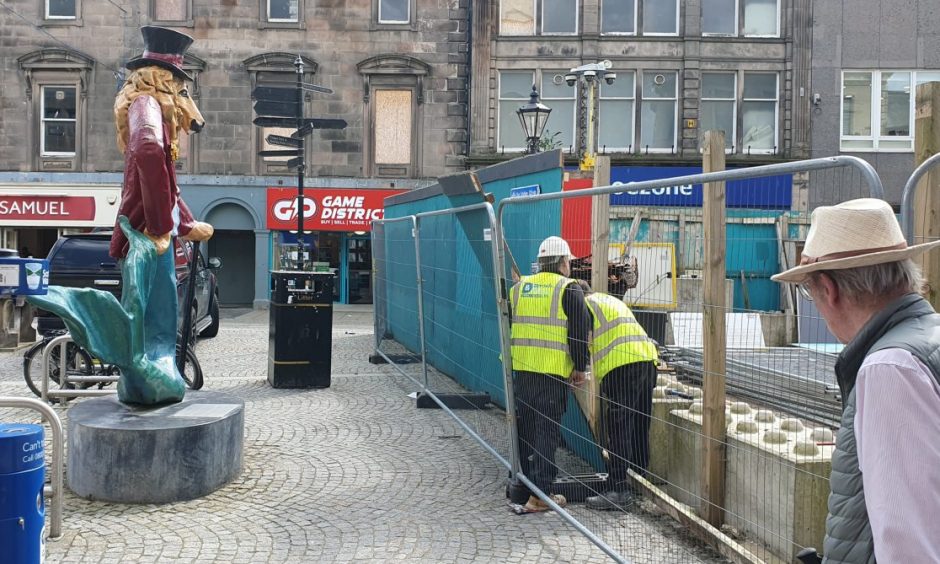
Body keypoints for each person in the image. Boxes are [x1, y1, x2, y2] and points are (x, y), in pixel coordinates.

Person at [772, 198, 940, 563]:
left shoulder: (891, 368)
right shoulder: (929, 340)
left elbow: (909, 545)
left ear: (829, 289)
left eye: (808, 290)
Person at [508, 236, 591, 512]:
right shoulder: (569, 290)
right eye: (569, 261)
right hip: (552, 374)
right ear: (563, 263)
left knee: (526, 429)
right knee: (547, 432)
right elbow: (578, 336)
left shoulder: (519, 289)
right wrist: (580, 368)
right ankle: (541, 494)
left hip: (523, 370)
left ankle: (523, 483)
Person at [576, 281, 659, 510]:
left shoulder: (584, 305)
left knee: (619, 426)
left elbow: (580, 341)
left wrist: (577, 369)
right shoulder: (609, 300)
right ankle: (637, 477)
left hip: (622, 365)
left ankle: (618, 489)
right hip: (647, 359)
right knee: (640, 422)